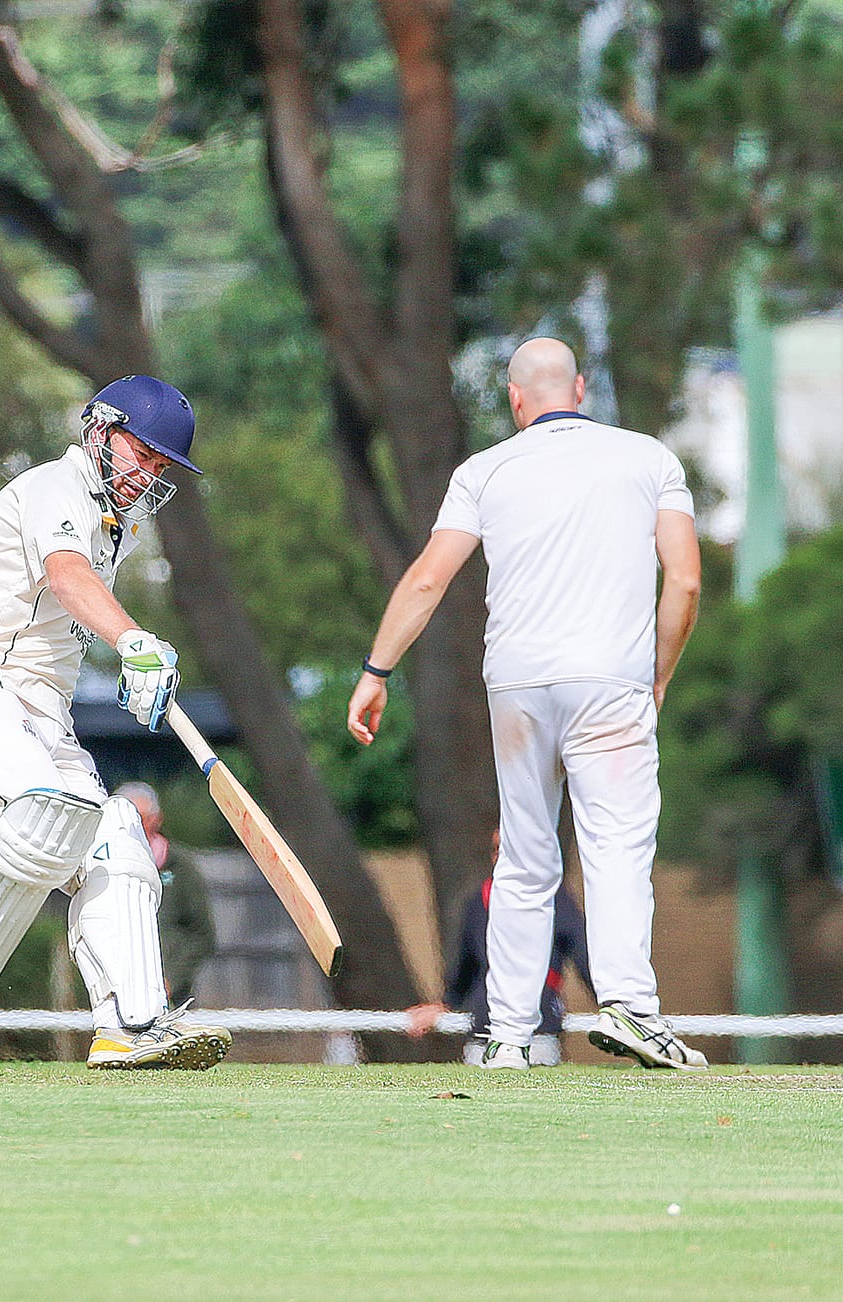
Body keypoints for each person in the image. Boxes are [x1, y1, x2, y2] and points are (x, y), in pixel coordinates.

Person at [348, 338, 708, 1073]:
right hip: (611, 676)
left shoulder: (484, 470)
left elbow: (427, 580)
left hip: (515, 682)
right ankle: (632, 1009)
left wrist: (375, 669)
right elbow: (687, 582)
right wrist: (658, 673)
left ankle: (507, 1034)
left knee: (524, 853)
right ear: (580, 387)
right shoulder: (649, 459)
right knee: (615, 845)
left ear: (516, 400)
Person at [0, 375, 231, 1071]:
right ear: (100, 429)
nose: (146, 474)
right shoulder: (56, 486)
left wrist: (123, 668)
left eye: (159, 466)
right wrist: (135, 643)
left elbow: (65, 618)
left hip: (38, 711)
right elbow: (65, 577)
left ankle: (128, 1025)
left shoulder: (118, 526)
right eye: (139, 454)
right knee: (44, 814)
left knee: (114, 836)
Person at [406, 830, 590, 1066]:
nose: (501, 857)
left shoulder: (555, 899)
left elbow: (583, 956)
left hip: (537, 1033)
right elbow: (465, 970)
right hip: (484, 1030)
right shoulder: (477, 903)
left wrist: (611, 1002)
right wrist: (445, 1004)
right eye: (497, 850)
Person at [115, 781, 216, 1005]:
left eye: (139, 818)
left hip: (172, 999)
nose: (131, 826)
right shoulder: (101, 867)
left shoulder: (180, 866)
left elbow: (202, 935)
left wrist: (170, 979)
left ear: (156, 819)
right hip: (114, 996)